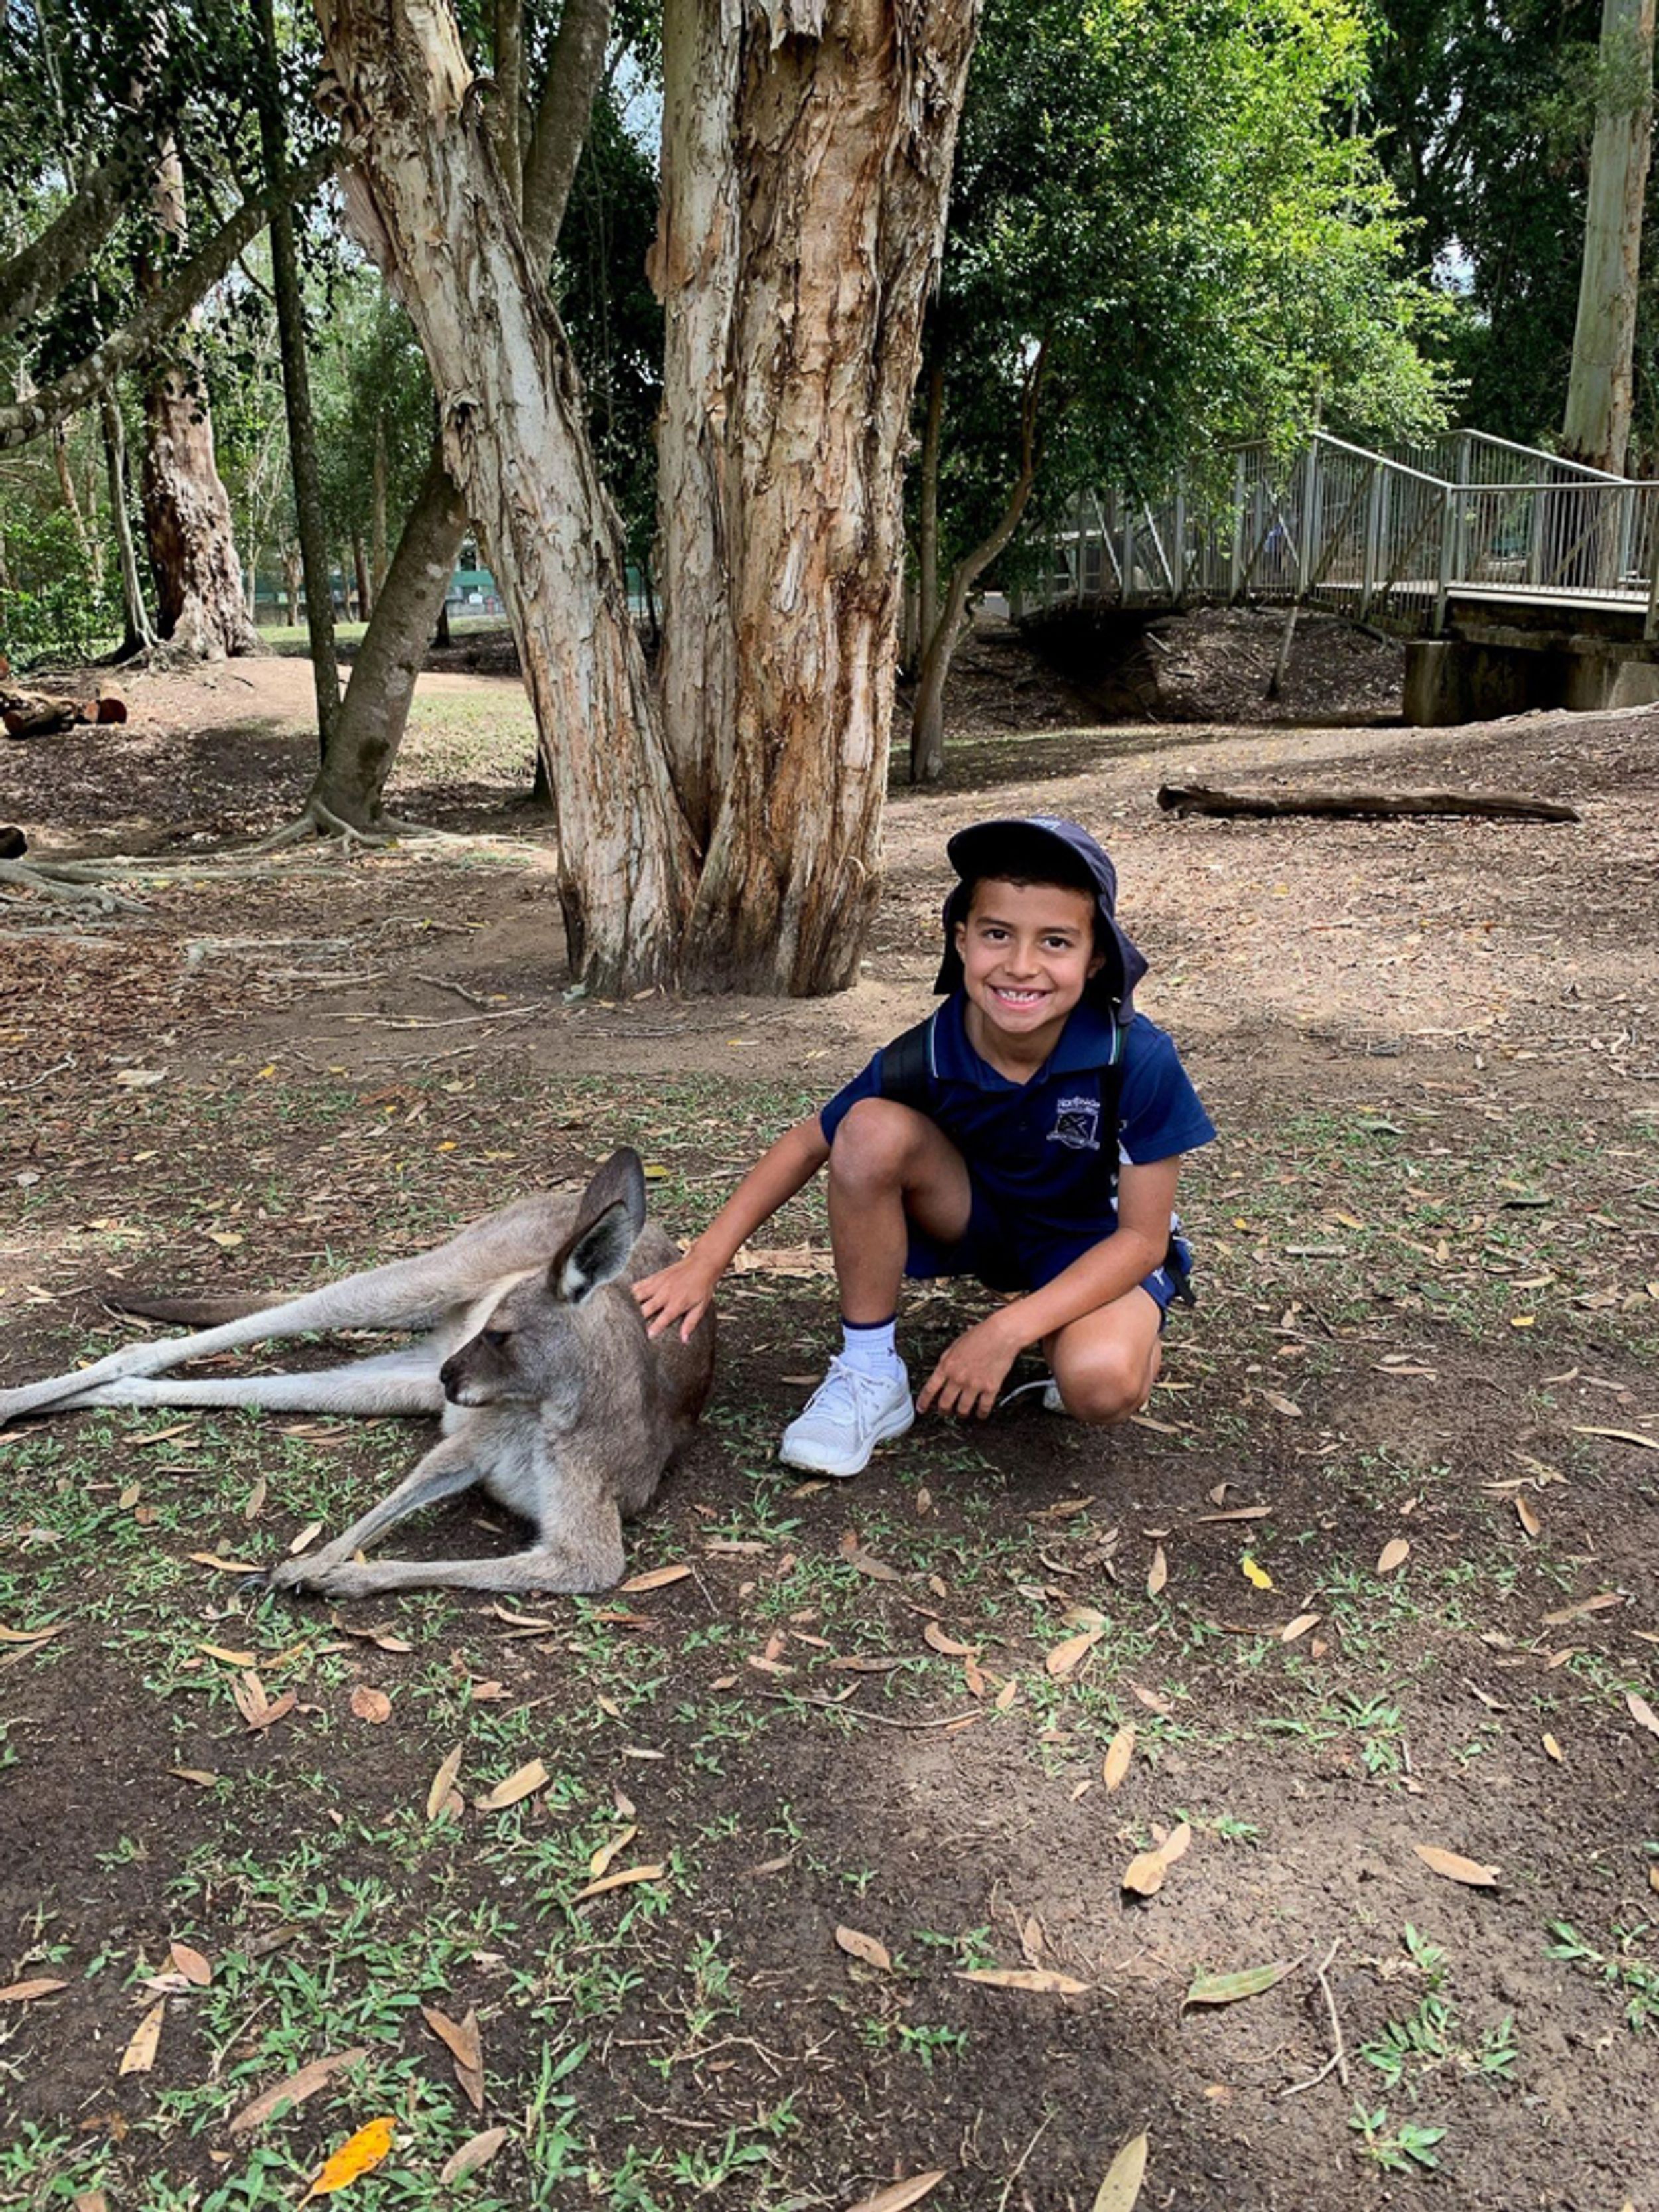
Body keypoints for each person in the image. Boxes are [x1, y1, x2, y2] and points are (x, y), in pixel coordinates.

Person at [633, 816, 1215, 1478]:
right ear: (961, 940)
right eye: (997, 934)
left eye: (1055, 941)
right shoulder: (928, 1050)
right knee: (867, 1129)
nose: (1021, 965)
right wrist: (705, 1261)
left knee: (1100, 1383)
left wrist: (1004, 1330)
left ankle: (1108, 1327)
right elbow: (806, 1144)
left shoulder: (1136, 1056)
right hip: (977, 1219)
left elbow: (1139, 1240)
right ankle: (869, 1372)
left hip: (1091, 1241)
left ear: (1096, 957)